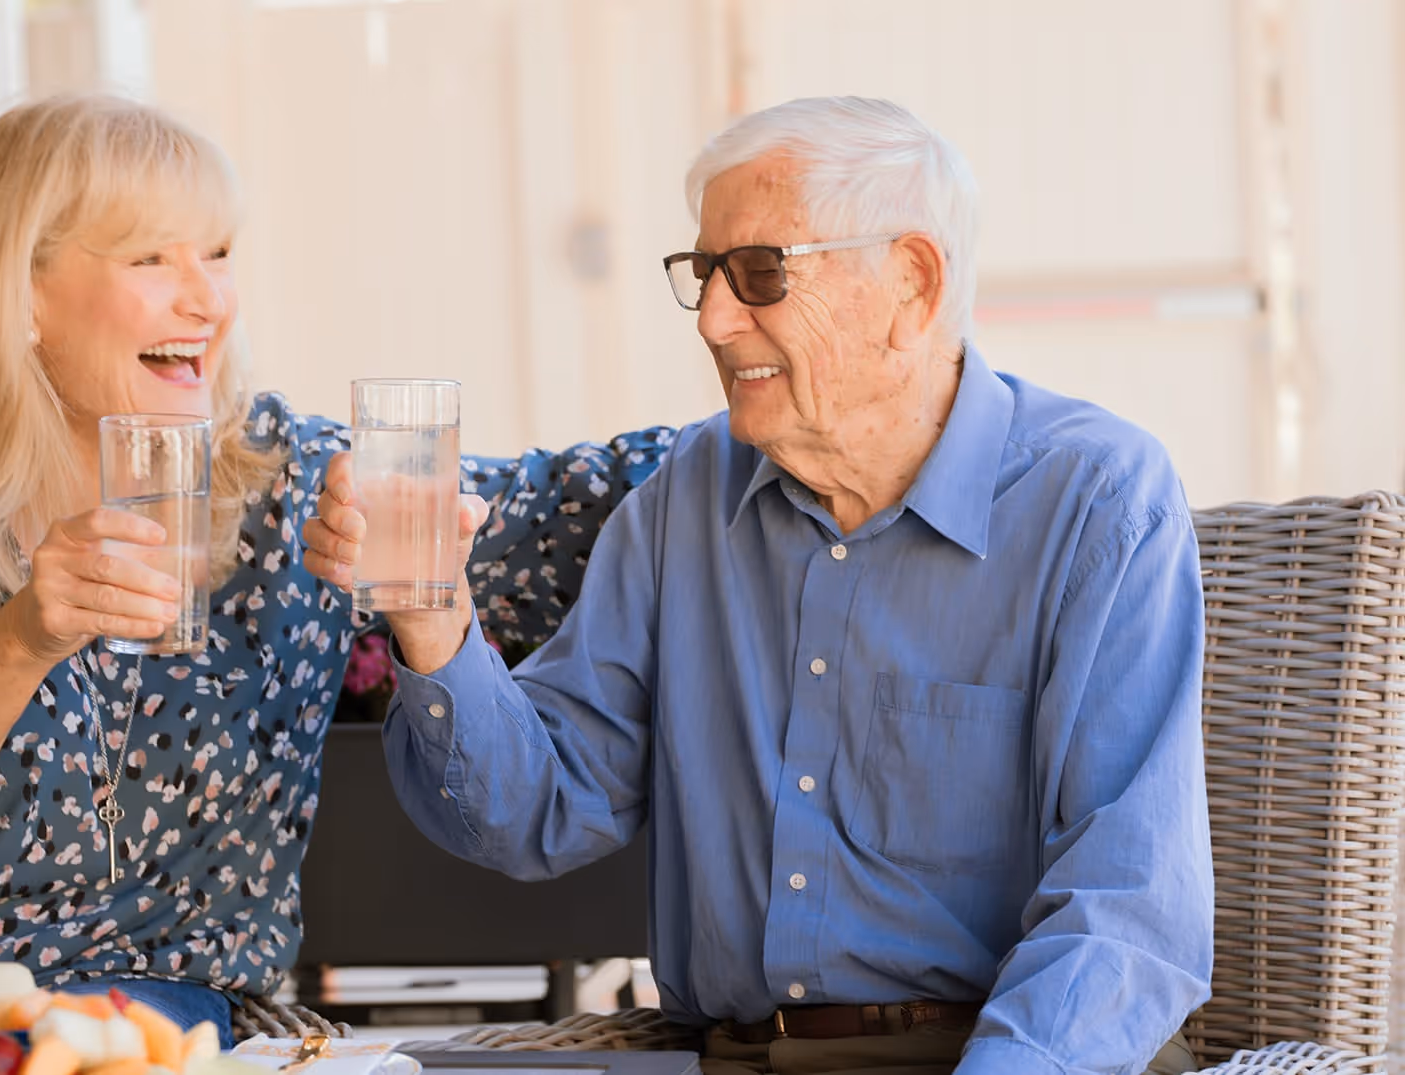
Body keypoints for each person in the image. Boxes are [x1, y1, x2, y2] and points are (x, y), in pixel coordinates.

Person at [310, 97, 1213, 1075]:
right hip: (724, 1058)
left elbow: (1128, 915)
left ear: (909, 282)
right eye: (702, 274)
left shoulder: (1095, 502)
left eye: (759, 273)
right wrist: (432, 616)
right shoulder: (685, 498)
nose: (710, 316)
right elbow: (540, 810)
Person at [0, 94, 669, 1045]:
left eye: (216, 253)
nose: (208, 300)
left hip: (167, 1025)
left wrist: (428, 554)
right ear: (23, 290)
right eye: (150, 257)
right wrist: (22, 638)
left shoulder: (285, 475)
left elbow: (591, 507)